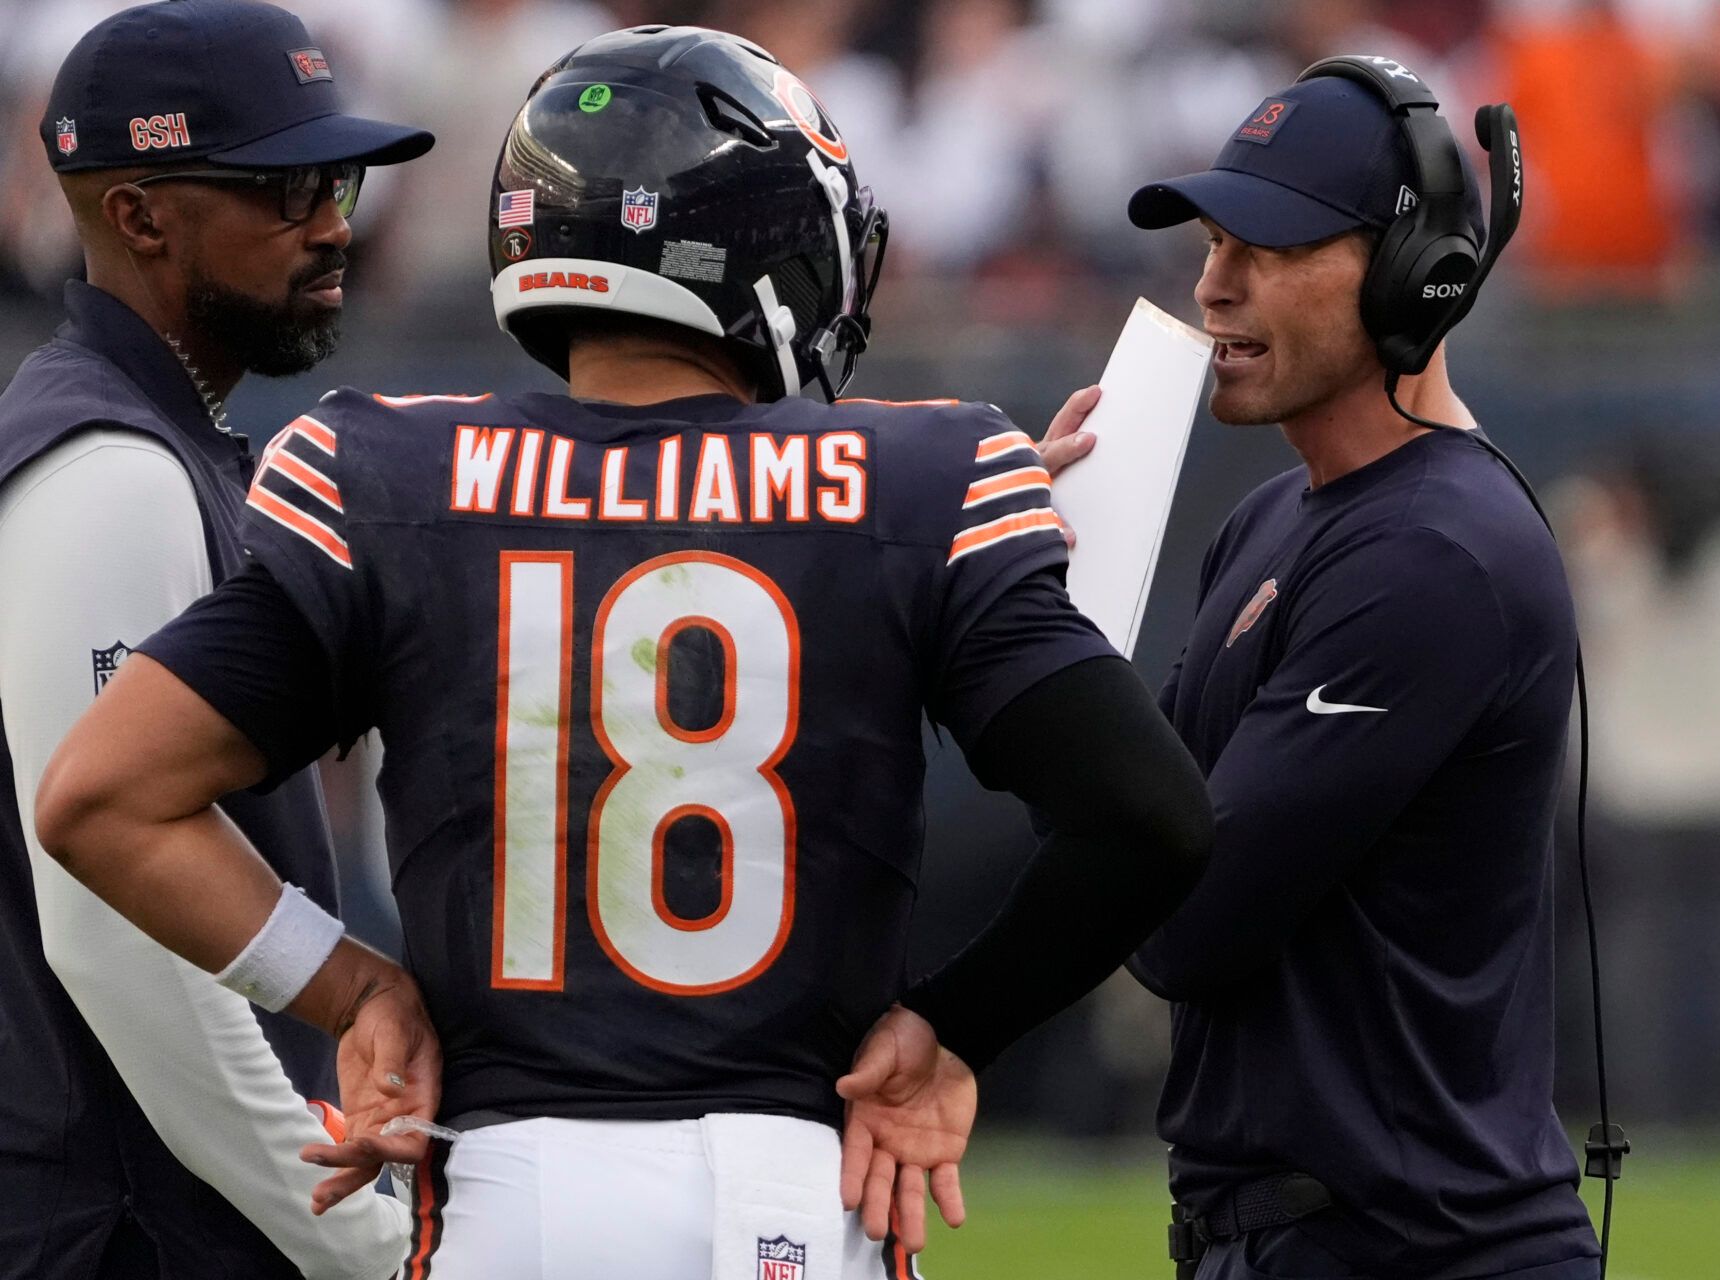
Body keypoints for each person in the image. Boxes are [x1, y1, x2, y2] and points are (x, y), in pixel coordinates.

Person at [34, 26, 1213, 1280]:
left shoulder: (385, 473)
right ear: (770, 243)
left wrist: (351, 990)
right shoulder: (922, 477)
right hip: (796, 1195)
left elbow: (101, 794)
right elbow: (1152, 817)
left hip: (508, 1196)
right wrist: (949, 1029)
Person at [1078, 57, 1602, 1279]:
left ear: (1420, 271)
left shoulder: (1433, 553)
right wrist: (1030, 592)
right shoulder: (1268, 522)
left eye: (1265, 247)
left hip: (1418, 1248)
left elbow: (1182, 917)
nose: (1214, 285)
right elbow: (1123, 815)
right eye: (1212, 244)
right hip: (1290, 1238)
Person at [0, 3, 433, 1278]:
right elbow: (113, 930)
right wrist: (355, 1234)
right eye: (286, 187)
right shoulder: (111, 466)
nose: (334, 222)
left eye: (339, 179)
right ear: (139, 216)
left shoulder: (147, 438)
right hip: (124, 1227)